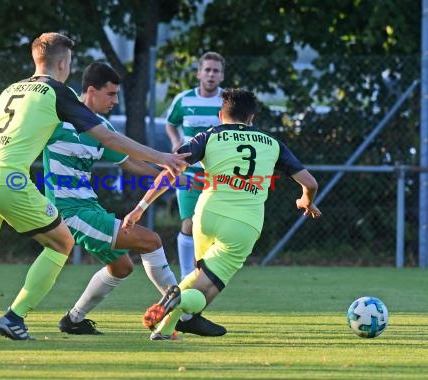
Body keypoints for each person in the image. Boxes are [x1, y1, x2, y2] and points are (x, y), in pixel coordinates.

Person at [0, 32, 188, 341]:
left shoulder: (10, 90)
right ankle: (14, 318)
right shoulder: (57, 92)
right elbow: (108, 138)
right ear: (63, 63)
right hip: (7, 179)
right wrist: (163, 157)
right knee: (62, 243)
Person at [122, 88, 322, 340]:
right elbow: (311, 183)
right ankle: (181, 303)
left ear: (220, 115)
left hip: (206, 217)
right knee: (206, 288)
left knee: (199, 277)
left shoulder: (209, 137)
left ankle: (167, 329)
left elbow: (171, 169)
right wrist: (306, 200)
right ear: (251, 118)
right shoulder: (272, 143)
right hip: (242, 224)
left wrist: (140, 207)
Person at [44, 62, 223, 336]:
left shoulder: (100, 126)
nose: (116, 101)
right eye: (111, 94)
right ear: (91, 91)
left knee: (121, 266)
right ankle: (184, 316)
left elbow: (128, 161)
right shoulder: (57, 121)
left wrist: (173, 176)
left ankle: (74, 319)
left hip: (88, 206)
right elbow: (19, 144)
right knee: (150, 241)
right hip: (69, 210)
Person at [164, 52, 225, 281]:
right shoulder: (184, 99)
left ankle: (207, 273)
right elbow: (171, 124)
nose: (211, 74)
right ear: (199, 73)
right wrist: (175, 141)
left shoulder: (226, 101)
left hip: (219, 176)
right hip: (189, 174)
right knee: (188, 223)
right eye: (207, 70)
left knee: (213, 227)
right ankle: (186, 275)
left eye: (215, 71)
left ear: (221, 76)